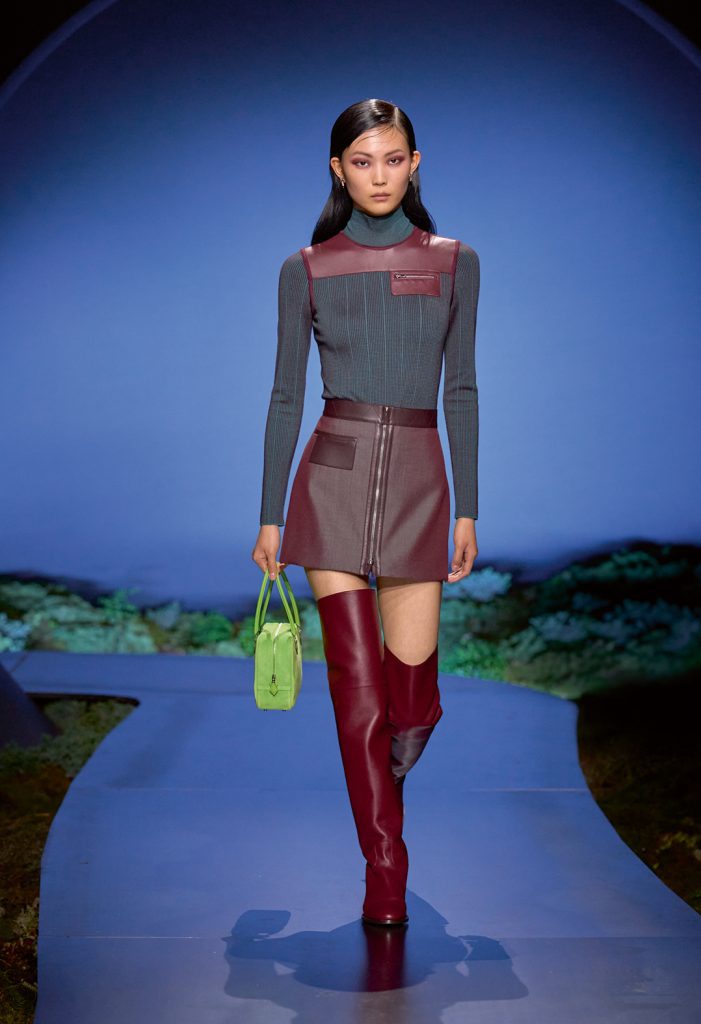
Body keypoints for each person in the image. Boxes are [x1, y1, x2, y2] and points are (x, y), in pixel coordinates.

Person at [251, 98, 480, 927]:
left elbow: (462, 388)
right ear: (338, 170)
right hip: (331, 482)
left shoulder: (456, 262)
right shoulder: (306, 268)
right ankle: (385, 873)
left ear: (414, 164)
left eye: (392, 159)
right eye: (361, 161)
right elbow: (285, 394)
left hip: (420, 482)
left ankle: (410, 730)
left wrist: (468, 508)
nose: (377, 176)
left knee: (407, 705)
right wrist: (270, 515)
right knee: (356, 694)